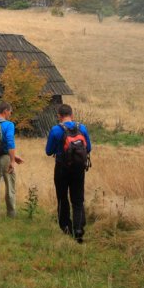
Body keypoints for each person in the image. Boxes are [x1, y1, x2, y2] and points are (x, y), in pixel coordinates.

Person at [45, 104, 92, 243]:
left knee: (62, 197)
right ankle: (79, 230)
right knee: (78, 199)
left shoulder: (56, 130)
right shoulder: (82, 128)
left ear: (59, 116)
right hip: (79, 168)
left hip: (61, 167)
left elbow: (48, 151)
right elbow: (88, 147)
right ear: (72, 115)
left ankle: (66, 227)